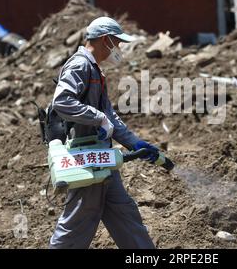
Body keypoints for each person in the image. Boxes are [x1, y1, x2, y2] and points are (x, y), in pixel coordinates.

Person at [49, 16, 159, 249]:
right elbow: (62, 101)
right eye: (117, 43)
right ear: (105, 40)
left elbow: (109, 116)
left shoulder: (95, 70)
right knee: (75, 227)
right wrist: (97, 117)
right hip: (86, 160)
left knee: (126, 216)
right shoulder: (80, 65)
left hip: (102, 158)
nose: (118, 49)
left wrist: (134, 143)